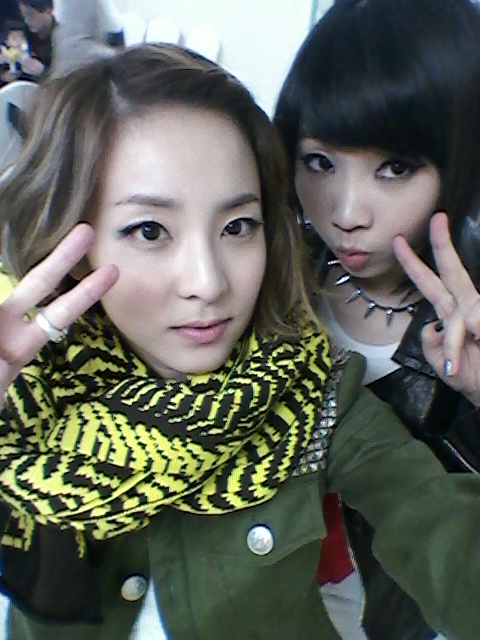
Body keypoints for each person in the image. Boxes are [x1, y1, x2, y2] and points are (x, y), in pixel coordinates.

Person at [0, 44, 480, 640]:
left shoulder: (316, 398)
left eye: (237, 226)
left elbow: (446, 541)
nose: (208, 283)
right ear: (76, 245)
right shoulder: (27, 392)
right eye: (149, 230)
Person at [273, 0, 480, 638]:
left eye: (394, 168)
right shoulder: (265, 272)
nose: (346, 213)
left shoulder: (473, 315)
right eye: (320, 162)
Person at [17, 0, 56, 80]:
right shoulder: (25, 32)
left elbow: (65, 78)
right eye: (24, 15)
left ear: (47, 11)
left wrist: (43, 72)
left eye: (31, 15)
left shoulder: (62, 39)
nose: (26, 21)